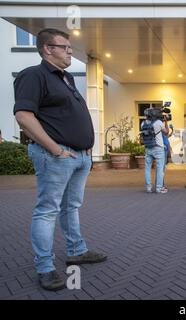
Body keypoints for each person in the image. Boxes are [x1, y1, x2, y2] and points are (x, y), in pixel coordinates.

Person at [13, 28, 107, 291]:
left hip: (78, 156)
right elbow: (24, 116)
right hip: (56, 156)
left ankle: (76, 250)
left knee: (71, 206)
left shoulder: (66, 79)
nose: (69, 52)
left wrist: (85, 148)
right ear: (47, 49)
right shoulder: (33, 75)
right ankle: (45, 267)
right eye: (65, 47)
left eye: (69, 47)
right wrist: (55, 149)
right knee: (47, 210)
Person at [141, 108, 169, 194]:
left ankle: (148, 188)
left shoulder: (143, 123)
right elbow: (166, 132)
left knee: (147, 168)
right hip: (158, 148)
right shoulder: (158, 122)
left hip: (148, 148)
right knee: (160, 169)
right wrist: (166, 122)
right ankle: (158, 188)